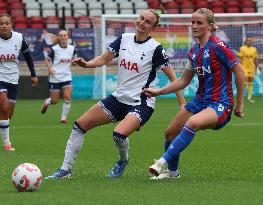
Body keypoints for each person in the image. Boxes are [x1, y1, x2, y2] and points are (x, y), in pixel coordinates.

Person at [46, 9, 186, 179]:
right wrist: (86, 64)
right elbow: (103, 59)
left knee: (119, 134)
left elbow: (174, 78)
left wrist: (182, 105)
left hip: (141, 103)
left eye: (147, 22)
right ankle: (65, 170)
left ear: (153, 27)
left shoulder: (155, 48)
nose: (142, 23)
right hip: (118, 98)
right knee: (79, 125)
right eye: (141, 18)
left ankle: (122, 160)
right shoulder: (124, 39)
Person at [143, 8, 245, 179]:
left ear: (210, 26)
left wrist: (239, 104)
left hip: (220, 103)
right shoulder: (194, 51)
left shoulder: (219, 46)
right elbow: (184, 80)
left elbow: (240, 73)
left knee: (192, 123)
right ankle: (173, 174)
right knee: (170, 133)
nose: (194, 26)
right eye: (193, 22)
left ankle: (161, 163)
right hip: (200, 100)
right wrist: (158, 92)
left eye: (199, 23)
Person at [0, 14, 38, 151]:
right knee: (4, 109)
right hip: (0, 80)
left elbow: (28, 56)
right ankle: (7, 143)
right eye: (1, 24)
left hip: (13, 79)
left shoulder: (19, 38)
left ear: (11, 24)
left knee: (8, 114)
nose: (4, 25)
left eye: (6, 23)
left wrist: (33, 74)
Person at [40, 30, 77, 123]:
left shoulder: (72, 48)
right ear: (59, 37)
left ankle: (63, 118)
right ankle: (47, 101)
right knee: (54, 101)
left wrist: (76, 61)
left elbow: (75, 59)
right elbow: (47, 60)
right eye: (61, 35)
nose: (63, 37)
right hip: (55, 77)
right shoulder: (54, 49)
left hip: (67, 77)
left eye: (65, 35)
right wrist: (50, 69)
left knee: (68, 98)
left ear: (67, 37)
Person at [238, 37, 258, 103]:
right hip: (244, 67)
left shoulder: (254, 49)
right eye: (248, 41)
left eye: (250, 41)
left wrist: (257, 67)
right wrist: (240, 66)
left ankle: (249, 97)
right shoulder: (242, 48)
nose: (249, 42)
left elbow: (255, 59)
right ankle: (241, 95)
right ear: (245, 42)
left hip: (252, 67)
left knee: (250, 81)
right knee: (245, 80)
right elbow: (240, 58)